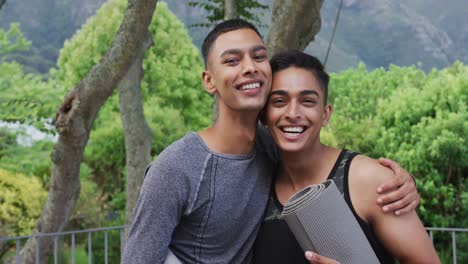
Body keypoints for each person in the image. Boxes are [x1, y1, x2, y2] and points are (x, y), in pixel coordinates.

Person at [122, 19, 419, 264]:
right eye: (232, 60)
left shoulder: (273, 147)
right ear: (208, 80)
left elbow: (327, 162)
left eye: (259, 56)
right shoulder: (175, 167)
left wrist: (402, 181)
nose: (250, 67)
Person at [253, 51, 440, 263]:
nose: (293, 113)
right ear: (264, 115)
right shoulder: (257, 184)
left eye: (307, 101)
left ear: (325, 114)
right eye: (279, 101)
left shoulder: (370, 181)